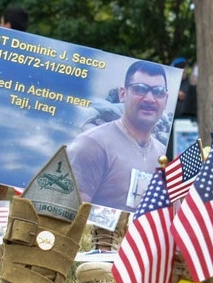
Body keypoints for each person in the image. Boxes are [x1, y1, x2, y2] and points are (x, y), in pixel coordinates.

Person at [68, 61, 170, 211]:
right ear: (123, 94)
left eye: (158, 91)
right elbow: (69, 219)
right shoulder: (93, 144)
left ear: (165, 99)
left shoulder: (164, 157)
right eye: (140, 89)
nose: (149, 98)